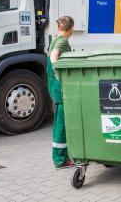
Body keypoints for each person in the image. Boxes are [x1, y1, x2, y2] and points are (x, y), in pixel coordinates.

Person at [47, 16, 75, 169]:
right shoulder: (62, 41)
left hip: (56, 87)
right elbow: (54, 57)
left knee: (61, 122)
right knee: (62, 124)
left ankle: (63, 157)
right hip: (60, 87)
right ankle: (60, 159)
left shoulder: (55, 39)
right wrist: (59, 75)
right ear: (71, 28)